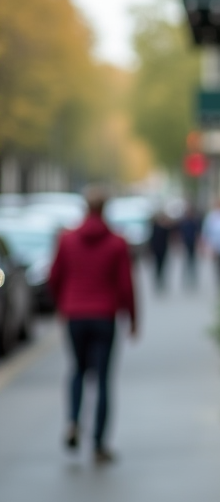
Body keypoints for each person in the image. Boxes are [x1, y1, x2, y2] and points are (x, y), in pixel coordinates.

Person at [47, 185, 137, 464]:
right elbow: (125, 285)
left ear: (85, 208)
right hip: (104, 316)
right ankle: (99, 444)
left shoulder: (67, 240)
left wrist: (62, 304)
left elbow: (54, 277)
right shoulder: (117, 242)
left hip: (75, 314)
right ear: (105, 209)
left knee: (77, 370)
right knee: (103, 379)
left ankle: (73, 421)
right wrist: (133, 318)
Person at [147, 210, 173, 293]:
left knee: (162, 264)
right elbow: (152, 238)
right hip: (157, 249)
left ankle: (161, 279)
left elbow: (172, 229)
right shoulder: (155, 226)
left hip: (163, 249)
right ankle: (157, 279)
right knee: (157, 265)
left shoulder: (165, 228)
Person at [176, 203, 201, 289]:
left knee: (192, 260)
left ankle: (192, 277)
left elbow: (197, 233)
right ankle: (186, 277)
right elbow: (180, 233)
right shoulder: (183, 222)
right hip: (185, 243)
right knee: (186, 261)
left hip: (192, 243)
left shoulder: (194, 221)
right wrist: (179, 243)